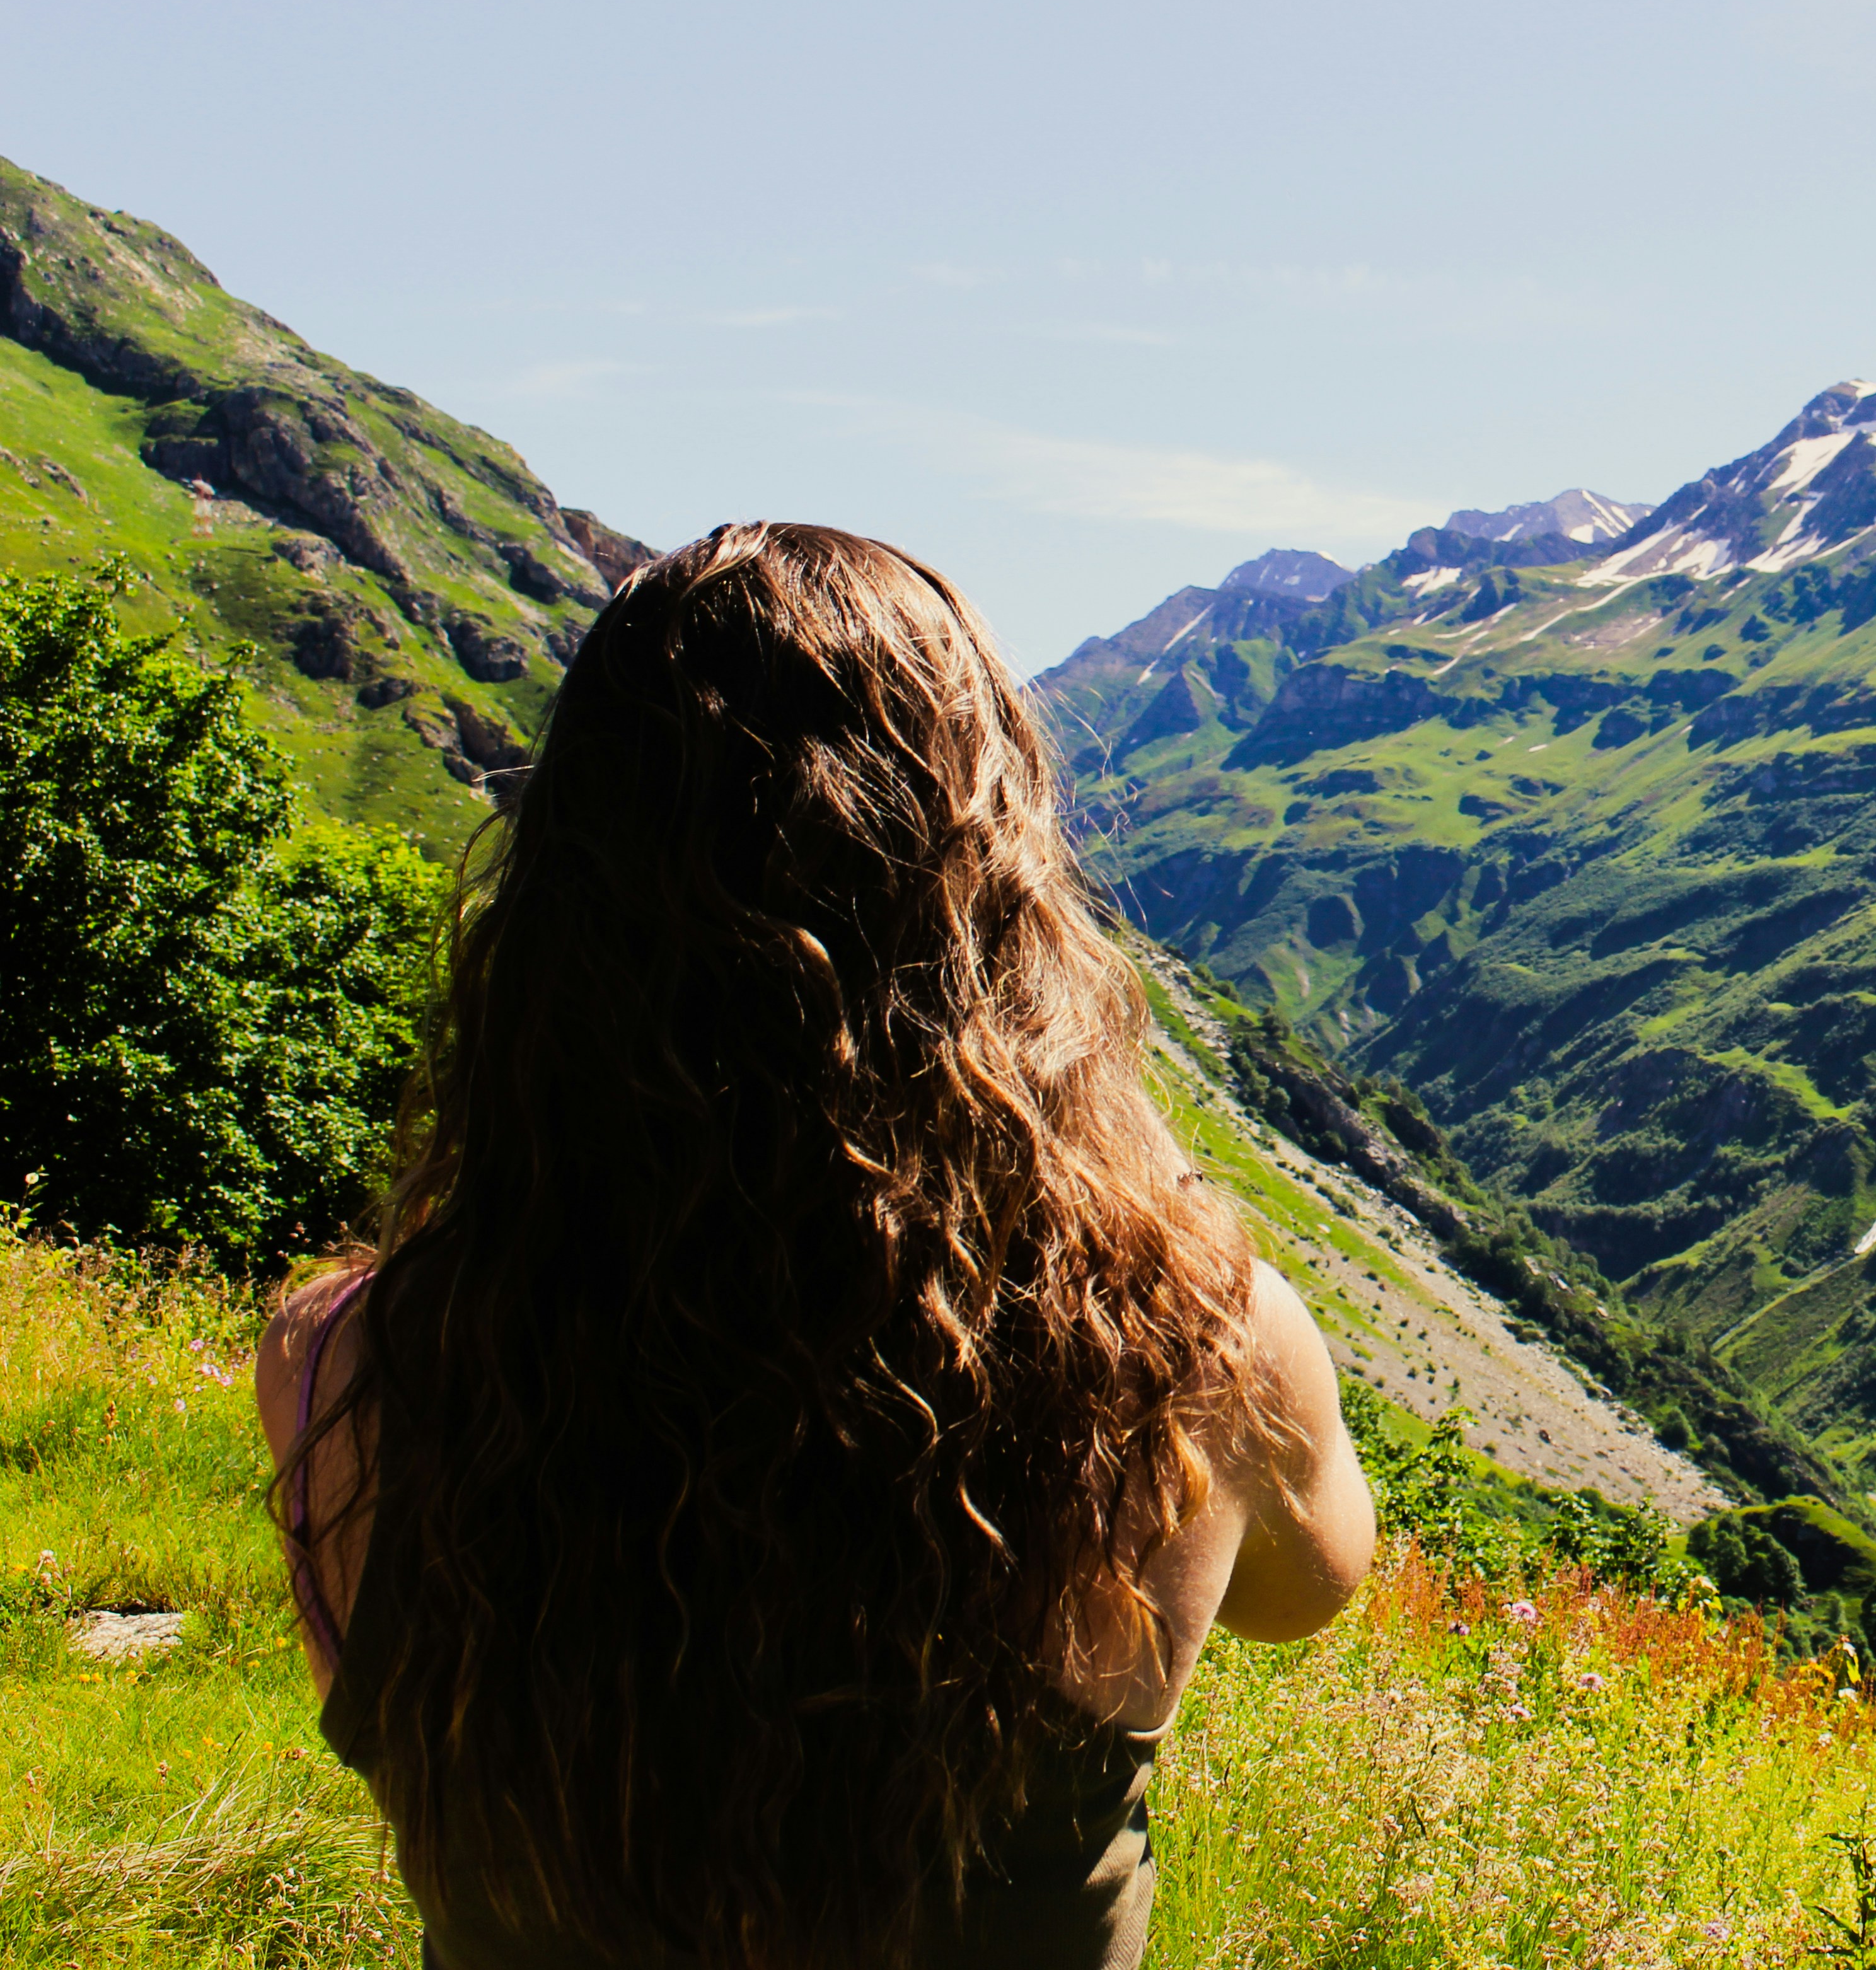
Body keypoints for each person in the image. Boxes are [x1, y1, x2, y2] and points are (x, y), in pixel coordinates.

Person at [255, 523, 1374, 1969]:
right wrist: (1104, 1143)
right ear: (1002, 915)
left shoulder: (347, 1364)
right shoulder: (1193, 1352)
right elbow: (1311, 1588)